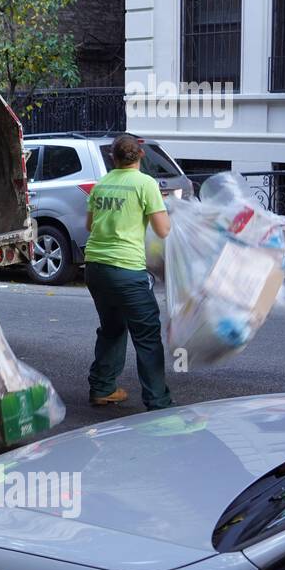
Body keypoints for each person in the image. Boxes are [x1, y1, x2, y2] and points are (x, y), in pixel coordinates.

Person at [83, 134, 173, 410]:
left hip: (95, 268)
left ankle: (102, 387)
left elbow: (89, 225)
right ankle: (158, 401)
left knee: (112, 327)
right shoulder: (145, 184)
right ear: (141, 156)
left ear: (113, 157)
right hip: (126, 270)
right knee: (146, 334)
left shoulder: (101, 185)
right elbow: (163, 230)